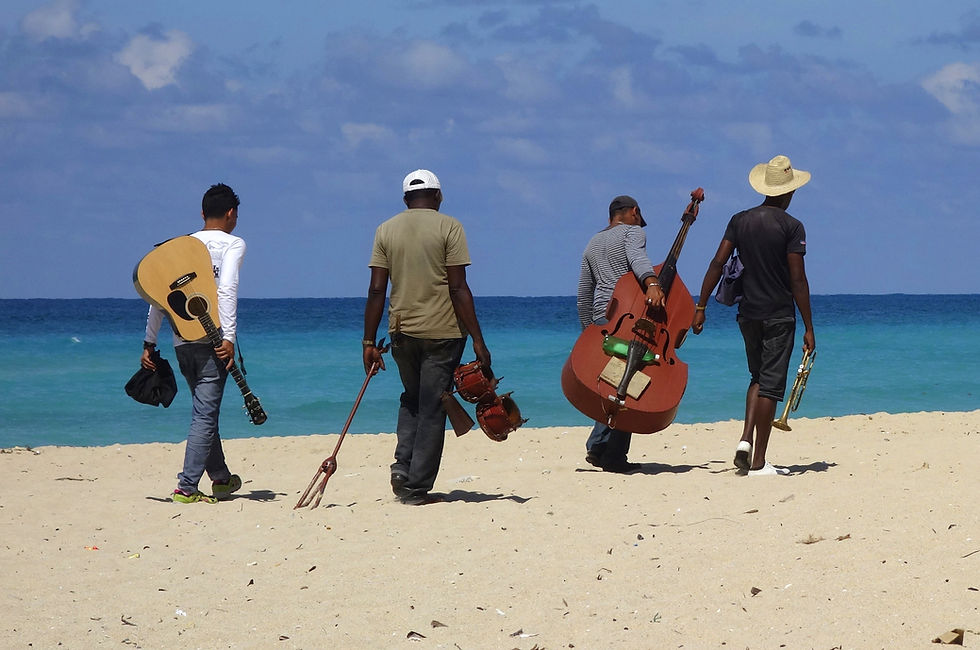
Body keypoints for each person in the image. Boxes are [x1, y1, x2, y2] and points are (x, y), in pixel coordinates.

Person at [363, 169, 493, 505]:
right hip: (443, 332)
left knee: (412, 398)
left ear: (406, 200)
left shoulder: (385, 230)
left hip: (400, 332)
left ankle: (402, 468)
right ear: (438, 196)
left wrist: (368, 342)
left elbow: (377, 289)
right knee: (434, 406)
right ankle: (415, 487)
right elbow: (457, 286)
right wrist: (478, 339)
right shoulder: (450, 226)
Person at [692, 155, 816, 476]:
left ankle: (745, 439)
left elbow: (717, 263)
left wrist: (701, 306)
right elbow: (798, 279)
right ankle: (759, 462)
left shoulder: (739, 220)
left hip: (747, 314)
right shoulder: (792, 227)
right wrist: (809, 326)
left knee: (757, 378)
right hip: (778, 315)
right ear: (788, 192)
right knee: (772, 387)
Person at [140, 183, 246, 503]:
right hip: (213, 341)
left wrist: (149, 342)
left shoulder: (179, 246)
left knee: (205, 410)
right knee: (205, 414)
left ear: (202, 214)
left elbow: (158, 298)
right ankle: (186, 487)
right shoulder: (233, 244)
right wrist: (228, 337)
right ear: (231, 214)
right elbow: (226, 288)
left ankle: (221, 479)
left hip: (181, 340)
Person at [576, 195, 665, 473]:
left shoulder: (592, 242)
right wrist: (652, 282)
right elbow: (637, 259)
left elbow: (583, 294)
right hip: (626, 315)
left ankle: (598, 446)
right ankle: (614, 456)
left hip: (601, 319)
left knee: (610, 382)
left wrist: (587, 331)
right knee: (628, 383)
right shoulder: (633, 232)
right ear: (634, 212)